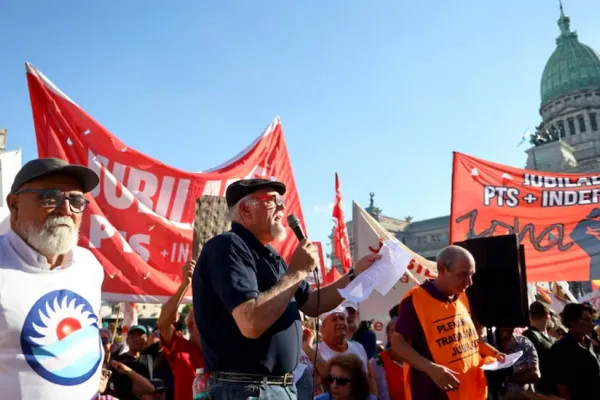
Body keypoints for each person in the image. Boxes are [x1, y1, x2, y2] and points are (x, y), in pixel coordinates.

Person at [193, 178, 379, 400]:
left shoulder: (273, 258)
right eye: (273, 200)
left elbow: (311, 303)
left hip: (278, 388)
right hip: (244, 389)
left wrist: (354, 274)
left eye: (282, 200)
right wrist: (297, 272)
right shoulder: (227, 247)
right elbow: (250, 322)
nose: (282, 206)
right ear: (245, 209)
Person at [0, 158, 105, 399]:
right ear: (14, 205)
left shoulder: (90, 266)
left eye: (77, 201)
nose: (66, 210)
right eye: (50, 197)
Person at [391, 245, 506, 400]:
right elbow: (397, 342)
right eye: (462, 275)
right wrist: (431, 369)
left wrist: (494, 353)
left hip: (470, 393)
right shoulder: (416, 299)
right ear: (442, 269)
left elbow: (469, 339)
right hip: (434, 393)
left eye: (471, 274)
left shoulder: (462, 297)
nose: (469, 282)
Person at [157, 261, 204, 400]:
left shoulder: (222, 352)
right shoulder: (181, 347)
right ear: (190, 325)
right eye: (203, 320)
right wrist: (184, 286)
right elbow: (163, 324)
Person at [550, 302, 600, 399]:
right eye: (586, 320)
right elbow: (562, 386)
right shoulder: (561, 348)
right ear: (572, 322)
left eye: (591, 320)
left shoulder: (591, 343)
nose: (591, 324)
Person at [521, 301, 555, 394]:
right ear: (547, 315)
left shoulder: (549, 338)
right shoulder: (530, 335)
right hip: (542, 390)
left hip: (551, 388)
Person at [370, 317, 405, 400]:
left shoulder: (418, 361)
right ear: (388, 335)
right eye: (393, 331)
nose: (397, 335)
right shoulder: (377, 362)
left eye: (401, 330)